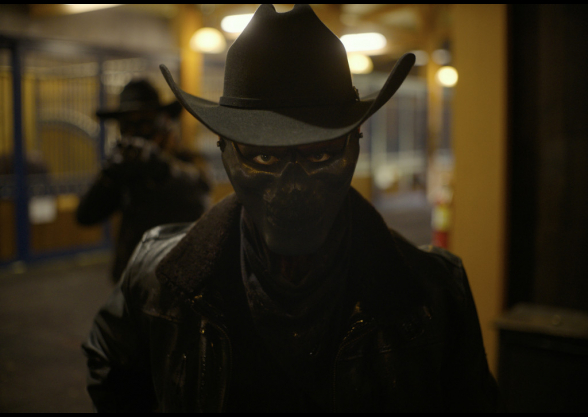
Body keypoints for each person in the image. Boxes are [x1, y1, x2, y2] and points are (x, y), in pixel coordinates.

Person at [82, 4, 501, 412]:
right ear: (224, 151)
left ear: (355, 145)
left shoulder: (437, 294)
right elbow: (111, 367)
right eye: (264, 156)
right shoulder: (154, 278)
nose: (294, 185)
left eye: (320, 154)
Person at [76, 79, 210, 284]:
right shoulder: (127, 169)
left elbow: (200, 190)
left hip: (180, 278)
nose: (137, 132)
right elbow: (86, 216)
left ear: (163, 122)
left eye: (145, 123)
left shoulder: (186, 160)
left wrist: (160, 166)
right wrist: (109, 176)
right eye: (128, 125)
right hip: (132, 279)